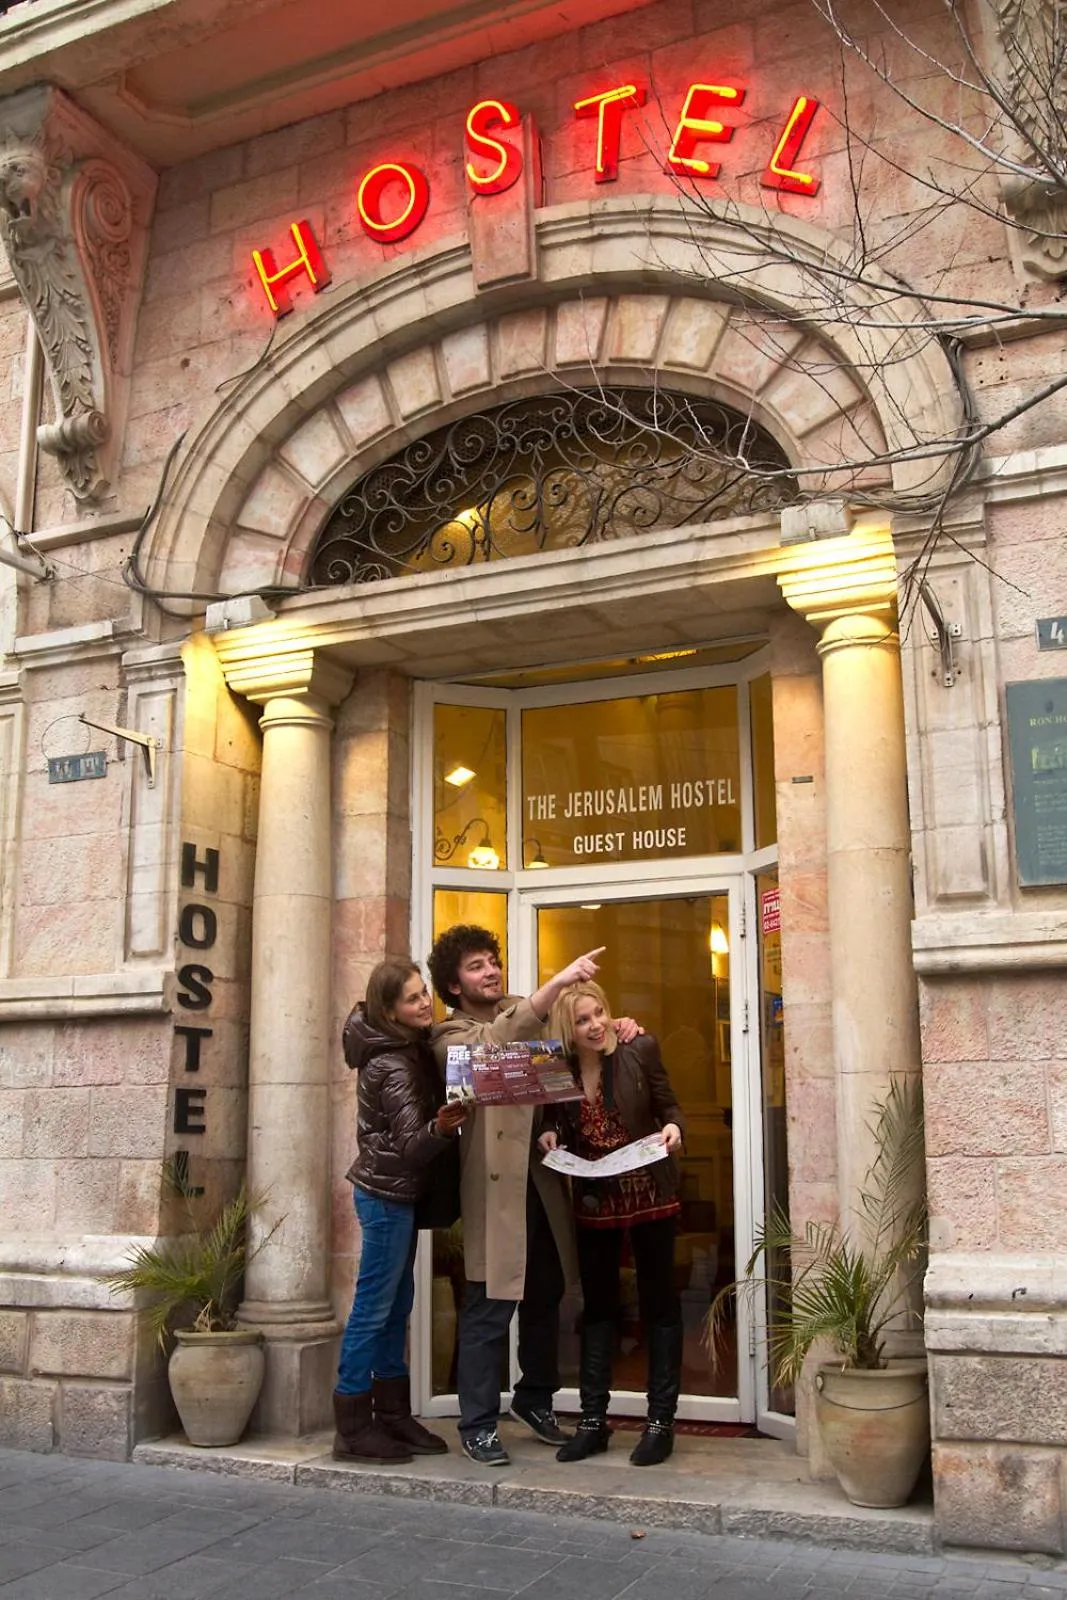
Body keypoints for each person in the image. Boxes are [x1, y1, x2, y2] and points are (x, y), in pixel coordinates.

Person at [427, 925, 642, 1467]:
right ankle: (476, 1423)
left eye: (493, 960)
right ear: (453, 984)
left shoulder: (528, 1010)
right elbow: (492, 1049)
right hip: (492, 1189)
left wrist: (615, 1026)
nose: (491, 971)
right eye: (477, 965)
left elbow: (574, 1040)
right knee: (489, 1304)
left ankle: (535, 1398)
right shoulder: (448, 1035)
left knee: (545, 1294)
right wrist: (558, 983)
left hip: (540, 1182)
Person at [540, 980, 685, 1467]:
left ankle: (660, 1423)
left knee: (659, 1303)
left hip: (648, 1186)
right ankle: (592, 1423)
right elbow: (557, 1122)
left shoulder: (639, 1046)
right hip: (595, 1195)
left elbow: (667, 1104)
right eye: (582, 1020)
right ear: (569, 1029)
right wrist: (550, 1136)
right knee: (599, 1308)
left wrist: (674, 1127)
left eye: (599, 1012)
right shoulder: (558, 1069)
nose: (596, 1024)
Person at [333, 958, 467, 1465]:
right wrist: (444, 1126)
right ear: (389, 1010)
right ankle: (351, 1427)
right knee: (374, 1308)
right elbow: (412, 1144)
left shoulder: (404, 1048)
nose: (424, 1002)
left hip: (396, 1194)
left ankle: (391, 1415)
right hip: (387, 1195)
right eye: (412, 999)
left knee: (396, 1306)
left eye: (424, 992)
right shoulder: (393, 1062)